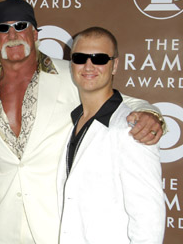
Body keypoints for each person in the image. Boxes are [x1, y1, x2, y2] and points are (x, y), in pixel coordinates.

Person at [0, 0, 165, 244]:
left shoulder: (71, 73)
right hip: (2, 226)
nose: (13, 34)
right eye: (3, 29)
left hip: (57, 225)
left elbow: (123, 102)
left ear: (35, 34)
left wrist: (152, 115)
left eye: (21, 25)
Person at [56, 26, 165, 243]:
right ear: (71, 64)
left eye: (99, 59)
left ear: (114, 65)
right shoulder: (74, 120)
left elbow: (148, 217)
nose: (88, 66)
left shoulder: (131, 128)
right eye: (80, 58)